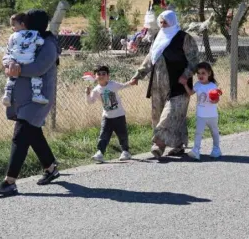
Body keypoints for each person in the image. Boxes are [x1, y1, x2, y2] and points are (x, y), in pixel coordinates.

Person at [0, 9, 62, 196]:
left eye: (27, 21)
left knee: (20, 136)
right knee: (33, 134)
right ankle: (51, 168)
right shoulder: (22, 38)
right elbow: (7, 54)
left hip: (39, 98)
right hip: (21, 96)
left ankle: (10, 182)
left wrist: (17, 69)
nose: (23, 24)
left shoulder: (48, 44)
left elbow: (38, 68)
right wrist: (9, 63)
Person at [130, 10, 199, 159]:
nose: (162, 24)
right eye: (160, 22)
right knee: (161, 115)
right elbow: (150, 58)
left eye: (165, 21)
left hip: (178, 84)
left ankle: (159, 144)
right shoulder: (158, 37)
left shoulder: (184, 38)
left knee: (170, 114)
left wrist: (186, 75)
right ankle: (178, 145)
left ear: (173, 21)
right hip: (157, 84)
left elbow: (194, 61)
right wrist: (138, 75)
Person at [86, 65, 135, 163]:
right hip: (107, 117)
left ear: (108, 76)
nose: (101, 76)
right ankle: (100, 153)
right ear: (95, 77)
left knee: (122, 134)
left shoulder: (113, 84)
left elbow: (123, 86)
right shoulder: (96, 90)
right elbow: (90, 102)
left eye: (104, 74)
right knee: (103, 135)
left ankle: (125, 151)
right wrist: (87, 94)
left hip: (119, 115)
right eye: (98, 74)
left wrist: (131, 82)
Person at [2, 13, 48, 107]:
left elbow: (9, 49)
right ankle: (37, 94)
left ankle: (7, 94)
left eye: (13, 25)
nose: (12, 28)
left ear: (22, 24)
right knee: (36, 77)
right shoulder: (34, 33)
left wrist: (10, 61)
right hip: (28, 60)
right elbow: (41, 42)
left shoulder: (12, 36)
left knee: (11, 77)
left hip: (14, 61)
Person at [183, 62, 222, 161]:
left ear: (209, 73)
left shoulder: (213, 86)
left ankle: (216, 149)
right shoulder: (197, 84)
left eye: (203, 73)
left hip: (212, 115)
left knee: (214, 132)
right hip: (201, 115)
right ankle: (196, 151)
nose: (200, 75)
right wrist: (185, 85)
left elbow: (217, 100)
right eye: (198, 73)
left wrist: (215, 100)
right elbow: (191, 93)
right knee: (198, 133)